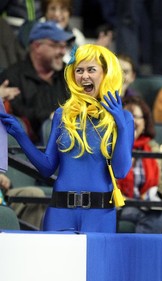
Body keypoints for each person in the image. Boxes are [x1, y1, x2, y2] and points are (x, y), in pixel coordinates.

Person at [0, 44, 134, 233]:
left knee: (94, 264)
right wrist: (20, 135)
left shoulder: (124, 119)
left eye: (91, 70)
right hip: (60, 210)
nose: (84, 76)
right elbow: (47, 168)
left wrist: (119, 124)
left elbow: (120, 171)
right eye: (79, 70)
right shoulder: (62, 114)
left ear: (106, 74)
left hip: (100, 213)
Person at [117, 95, 162, 233]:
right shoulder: (112, 146)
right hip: (123, 205)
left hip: (149, 203)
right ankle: (147, 254)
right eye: (127, 115)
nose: (132, 120)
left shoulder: (153, 149)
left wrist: (155, 195)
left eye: (137, 117)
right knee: (152, 217)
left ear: (144, 123)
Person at [0, 21, 75, 144]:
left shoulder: (69, 74)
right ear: (37, 47)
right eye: (56, 45)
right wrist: (49, 115)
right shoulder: (13, 76)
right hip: (30, 149)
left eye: (64, 46)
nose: (62, 51)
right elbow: (18, 113)